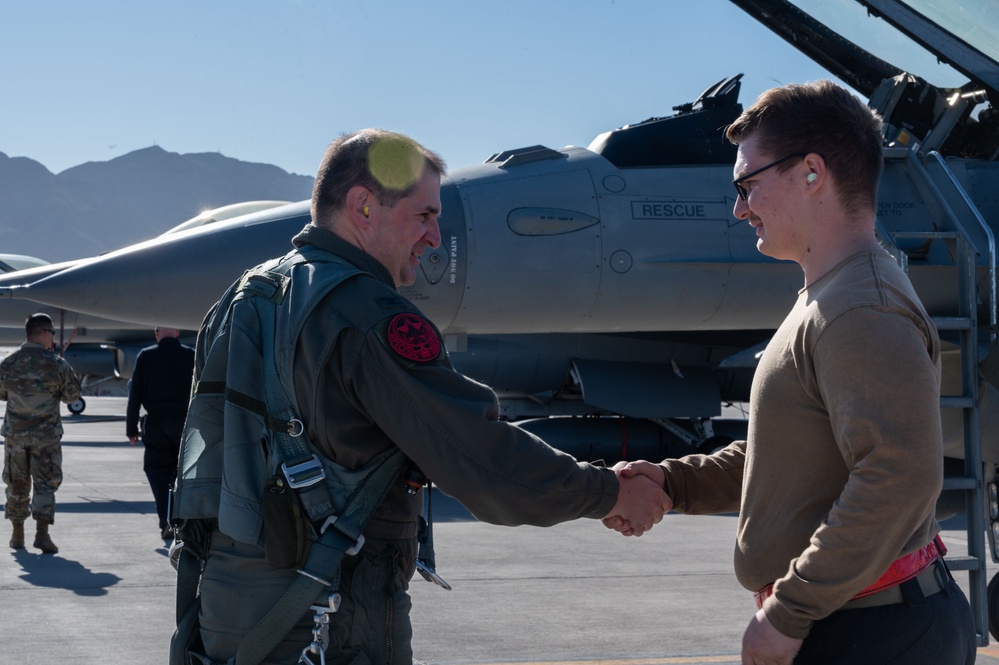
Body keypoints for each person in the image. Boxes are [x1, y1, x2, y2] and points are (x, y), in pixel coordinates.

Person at [174, 129, 670, 665]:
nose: (435, 238)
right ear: (364, 206)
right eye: (424, 216)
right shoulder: (367, 314)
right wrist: (609, 493)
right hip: (325, 618)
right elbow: (480, 457)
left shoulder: (246, 296)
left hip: (228, 608)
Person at [607, 80, 976, 664]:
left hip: (868, 633)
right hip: (857, 624)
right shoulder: (833, 296)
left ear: (811, 172)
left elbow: (900, 473)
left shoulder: (859, 307)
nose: (740, 207)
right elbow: (788, 454)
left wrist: (789, 611)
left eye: (748, 183)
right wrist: (674, 482)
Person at [1, 312, 82, 554]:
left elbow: (2, 393)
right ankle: (42, 535)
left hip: (15, 437)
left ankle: (17, 534)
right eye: (52, 333)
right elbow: (72, 397)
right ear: (45, 334)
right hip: (45, 438)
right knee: (45, 484)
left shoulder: (8, 363)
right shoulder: (57, 364)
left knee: (16, 483)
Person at [126, 326, 195, 539]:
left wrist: (131, 430)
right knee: (185, 473)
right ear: (177, 332)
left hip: (156, 423)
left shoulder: (146, 357)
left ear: (156, 333)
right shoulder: (190, 355)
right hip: (186, 422)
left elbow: (135, 396)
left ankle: (165, 519)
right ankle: (183, 520)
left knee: (156, 470)